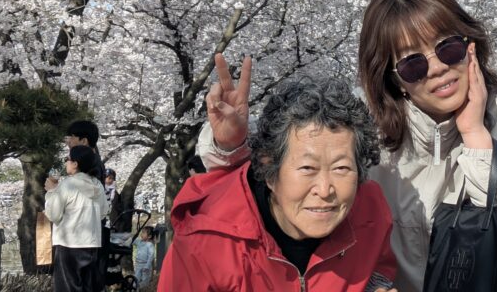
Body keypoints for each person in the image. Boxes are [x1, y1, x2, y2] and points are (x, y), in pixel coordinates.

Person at [197, 0, 497, 292]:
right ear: (393, 78)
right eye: (413, 64)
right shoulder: (364, 127)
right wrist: (230, 146)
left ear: (470, 46)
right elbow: (288, 177)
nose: (437, 69)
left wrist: (476, 137)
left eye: (448, 48)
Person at [161, 70, 398, 291]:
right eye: (307, 168)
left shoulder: (371, 213)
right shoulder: (204, 245)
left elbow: (378, 271)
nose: (325, 190)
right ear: (270, 170)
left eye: (341, 168)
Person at [44, 145, 109, 292]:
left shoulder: (68, 184)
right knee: (88, 287)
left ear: (75, 164)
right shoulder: (97, 184)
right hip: (92, 244)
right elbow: (103, 212)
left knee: (68, 287)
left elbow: (53, 214)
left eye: (68, 159)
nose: (66, 162)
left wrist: (52, 191)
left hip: (69, 244)